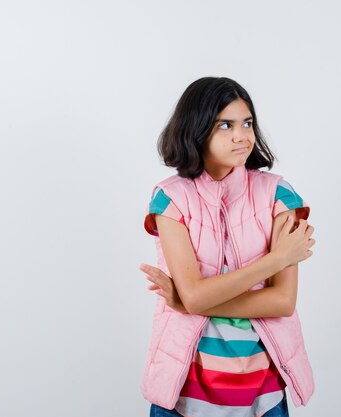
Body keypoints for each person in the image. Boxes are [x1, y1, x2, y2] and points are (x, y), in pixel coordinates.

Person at [139, 77, 316, 417]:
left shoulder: (279, 195)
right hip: (183, 394)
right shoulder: (171, 198)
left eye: (247, 123)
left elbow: (282, 301)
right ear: (197, 129)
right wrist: (276, 260)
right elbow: (194, 296)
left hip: (261, 395)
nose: (242, 135)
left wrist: (195, 301)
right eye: (226, 125)